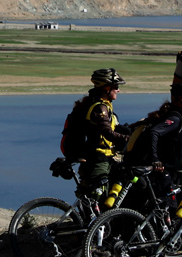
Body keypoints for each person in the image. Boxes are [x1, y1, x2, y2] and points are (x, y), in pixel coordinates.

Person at [50, 67, 129, 201]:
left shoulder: (98, 104)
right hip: (99, 161)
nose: (118, 90)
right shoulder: (99, 107)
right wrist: (130, 139)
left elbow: (113, 127)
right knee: (98, 199)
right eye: (115, 86)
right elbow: (107, 132)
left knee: (92, 199)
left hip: (95, 159)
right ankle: (97, 222)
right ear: (106, 88)